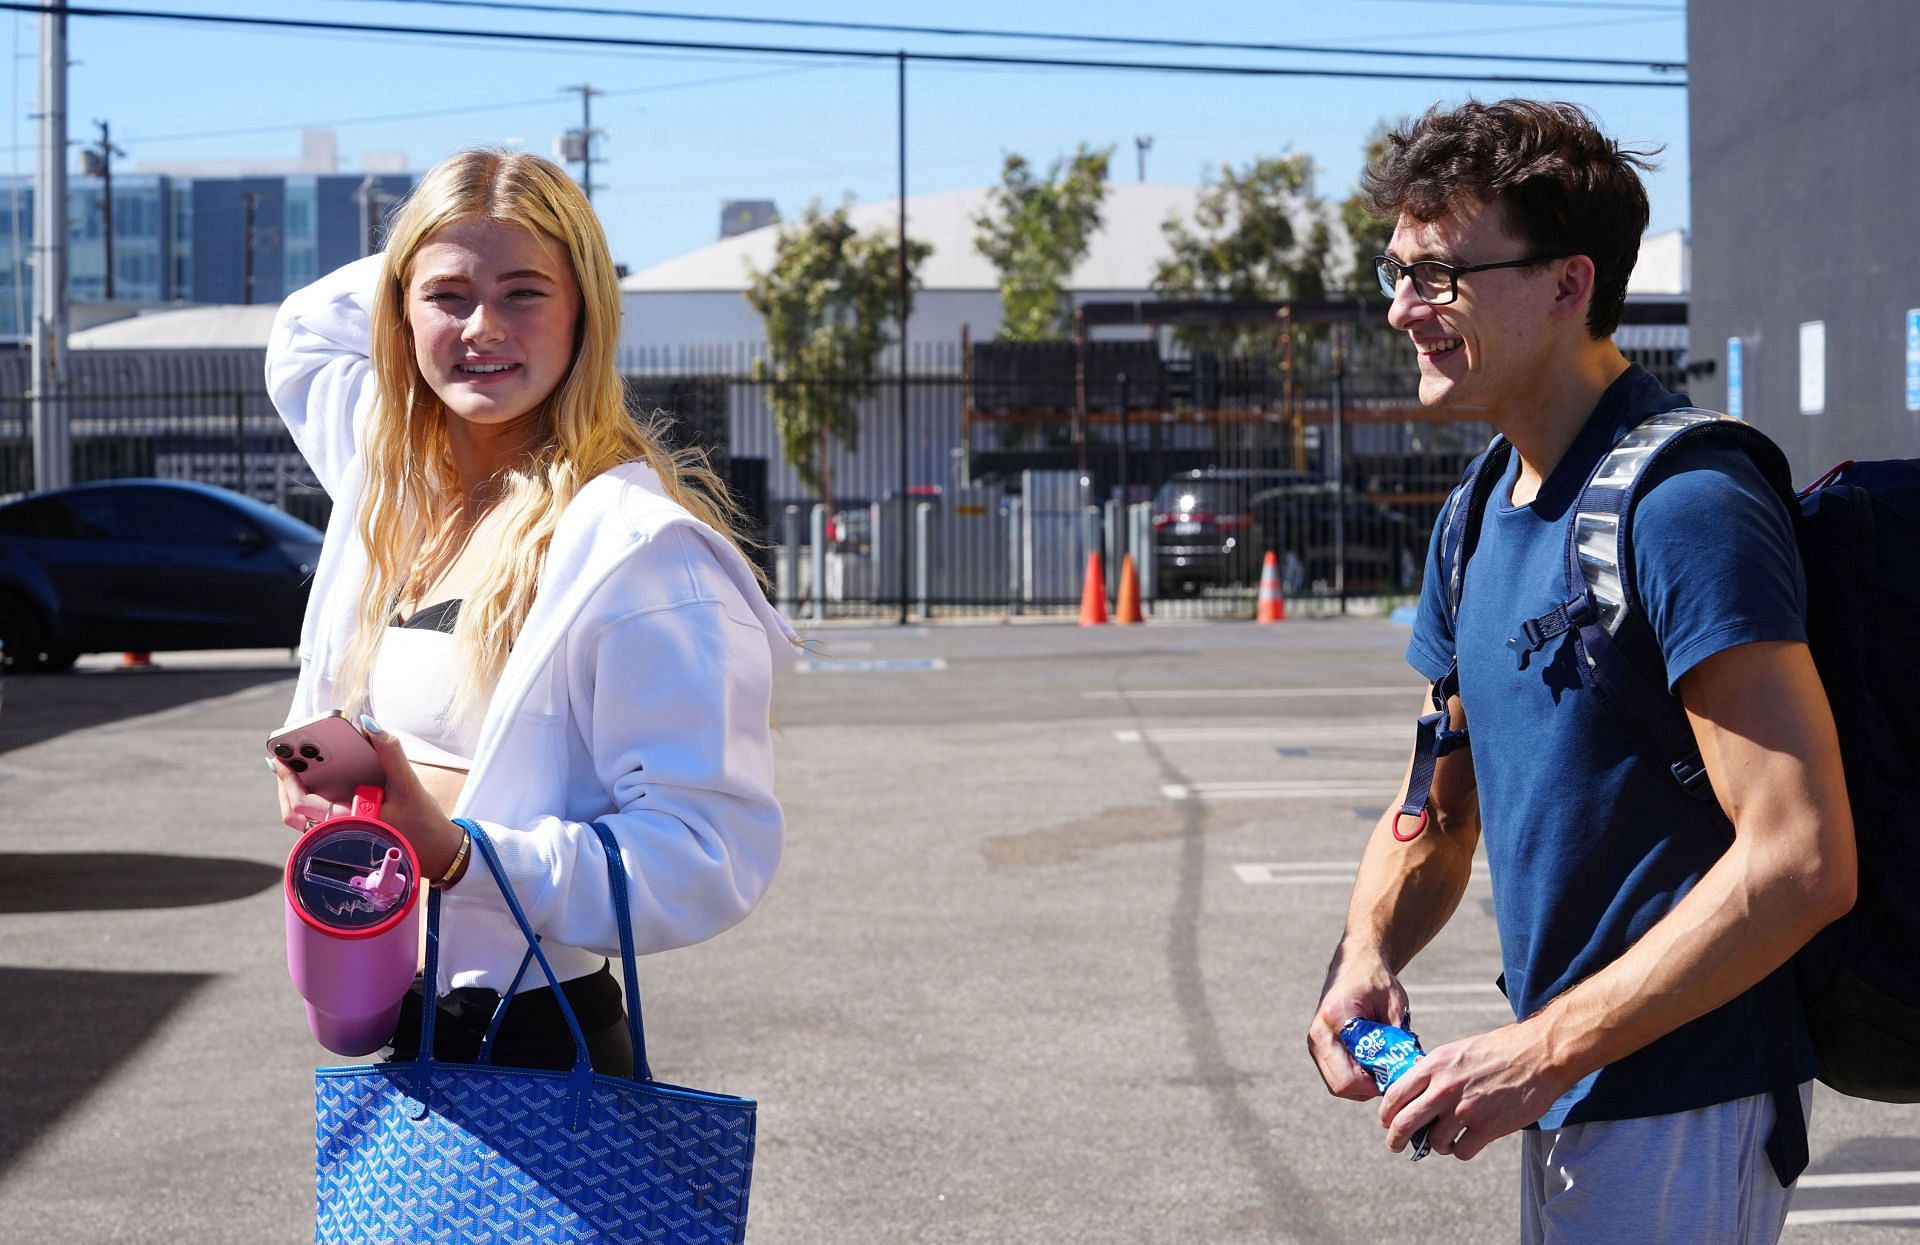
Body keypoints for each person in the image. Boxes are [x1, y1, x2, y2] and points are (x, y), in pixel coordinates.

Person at [1305, 100, 1856, 1242]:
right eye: (1398, 273)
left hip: (1679, 1103)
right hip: (1568, 1091)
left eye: (1444, 276)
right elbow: (1436, 811)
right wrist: (1364, 955)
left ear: (1568, 284)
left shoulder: (1688, 505)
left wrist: (1540, 1052)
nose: (1406, 309)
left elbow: (1801, 859)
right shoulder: (1474, 515)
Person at [266, 148, 797, 1074]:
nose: (482, 328)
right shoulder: (394, 489)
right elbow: (306, 330)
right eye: (448, 296)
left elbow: (710, 852)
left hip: (537, 1044)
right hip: (400, 1017)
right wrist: (346, 798)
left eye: (524, 292)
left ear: (585, 310)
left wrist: (465, 853)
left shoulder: (633, 548)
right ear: (399, 313)